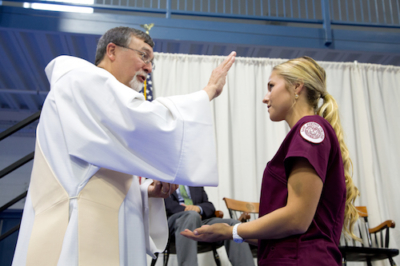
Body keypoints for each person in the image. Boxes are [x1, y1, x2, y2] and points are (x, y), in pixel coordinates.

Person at [12, 26, 236, 266]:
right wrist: (206, 93)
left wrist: (145, 193)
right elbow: (142, 121)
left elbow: (91, 173)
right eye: (143, 55)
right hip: (81, 223)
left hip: (97, 215)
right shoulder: (81, 80)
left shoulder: (96, 91)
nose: (149, 67)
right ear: (112, 50)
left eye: (152, 61)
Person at [181, 56, 360, 265]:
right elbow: (286, 233)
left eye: (271, 86)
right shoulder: (304, 132)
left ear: (297, 87)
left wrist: (231, 230)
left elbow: (297, 219)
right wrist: (225, 233)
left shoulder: (309, 129)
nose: (266, 98)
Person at [165, 186, 255, 266]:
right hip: (174, 223)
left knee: (233, 224)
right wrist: (189, 211)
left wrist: (198, 209)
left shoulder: (194, 182)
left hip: (200, 221)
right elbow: (166, 205)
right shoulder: (163, 178)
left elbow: (209, 206)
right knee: (191, 216)